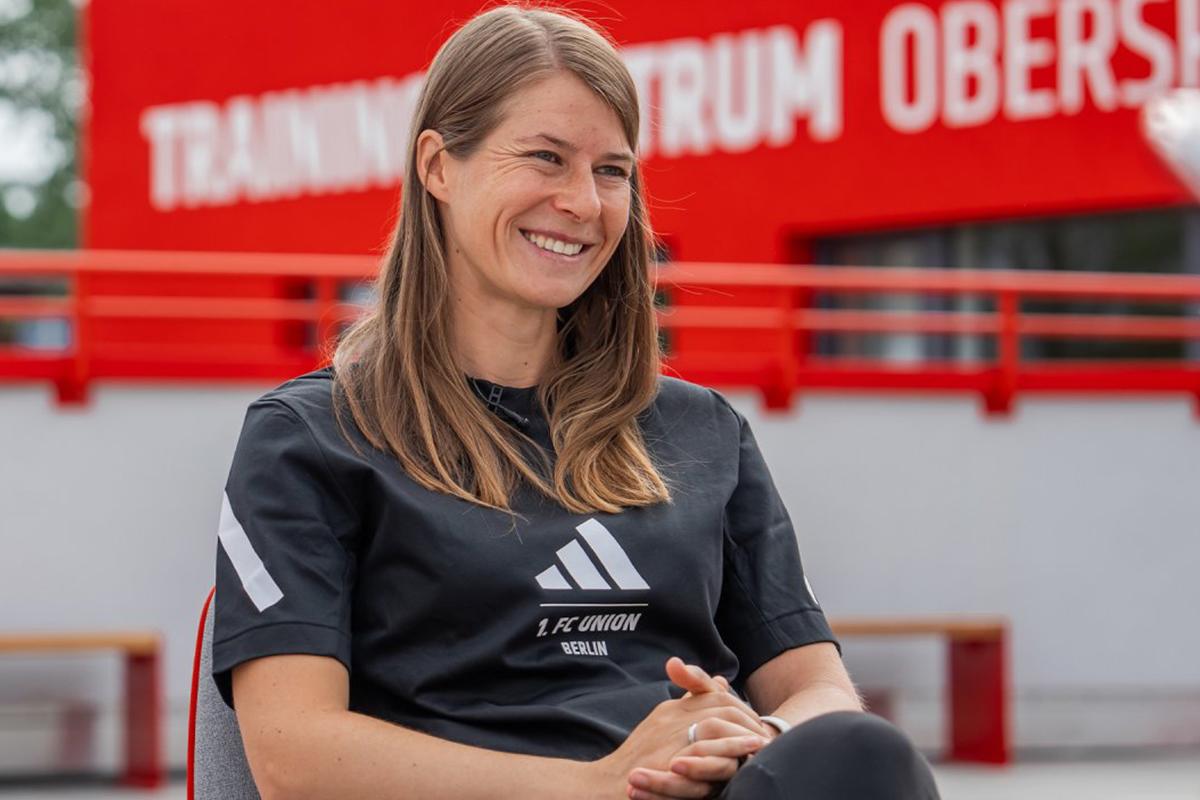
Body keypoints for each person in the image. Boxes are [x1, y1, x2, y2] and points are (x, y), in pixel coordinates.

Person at [212, 6, 941, 799]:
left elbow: (821, 692)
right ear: (438, 166)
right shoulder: (312, 439)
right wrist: (594, 783)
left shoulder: (703, 433)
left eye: (612, 171)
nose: (583, 203)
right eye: (545, 158)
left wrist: (751, 735)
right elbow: (295, 758)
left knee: (866, 757)